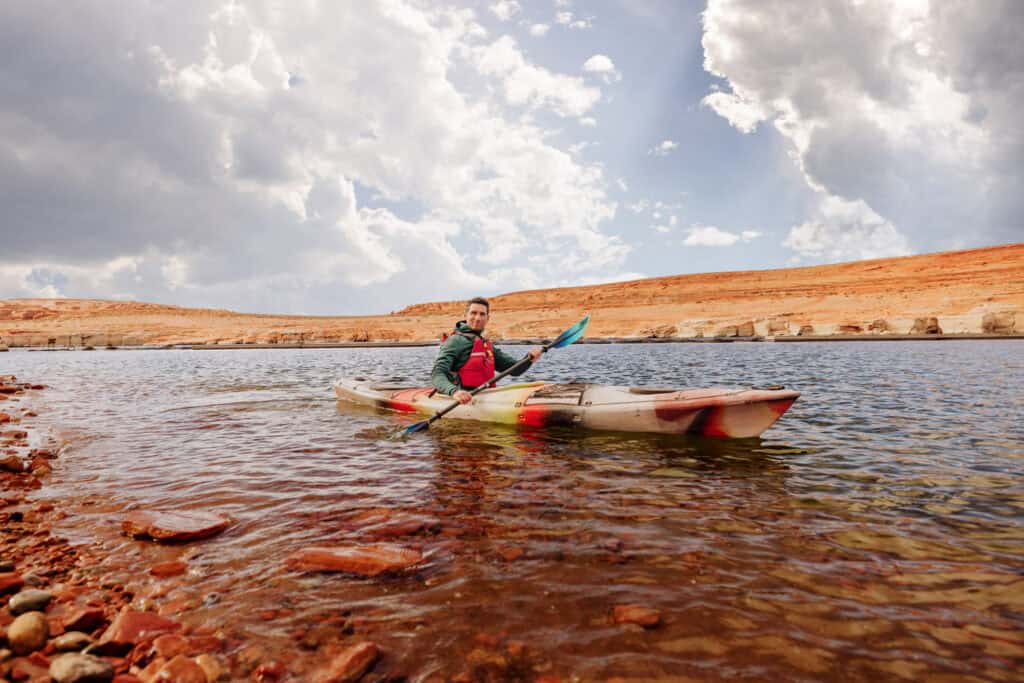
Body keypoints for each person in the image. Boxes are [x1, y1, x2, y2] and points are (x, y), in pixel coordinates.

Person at [431, 297, 543, 404]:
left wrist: (529, 359)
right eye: (473, 313)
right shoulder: (455, 341)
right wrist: (454, 392)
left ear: (487, 318)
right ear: (465, 315)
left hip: (485, 396)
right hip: (460, 398)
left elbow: (514, 370)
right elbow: (437, 373)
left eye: (482, 314)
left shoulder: (485, 345)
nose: (478, 318)